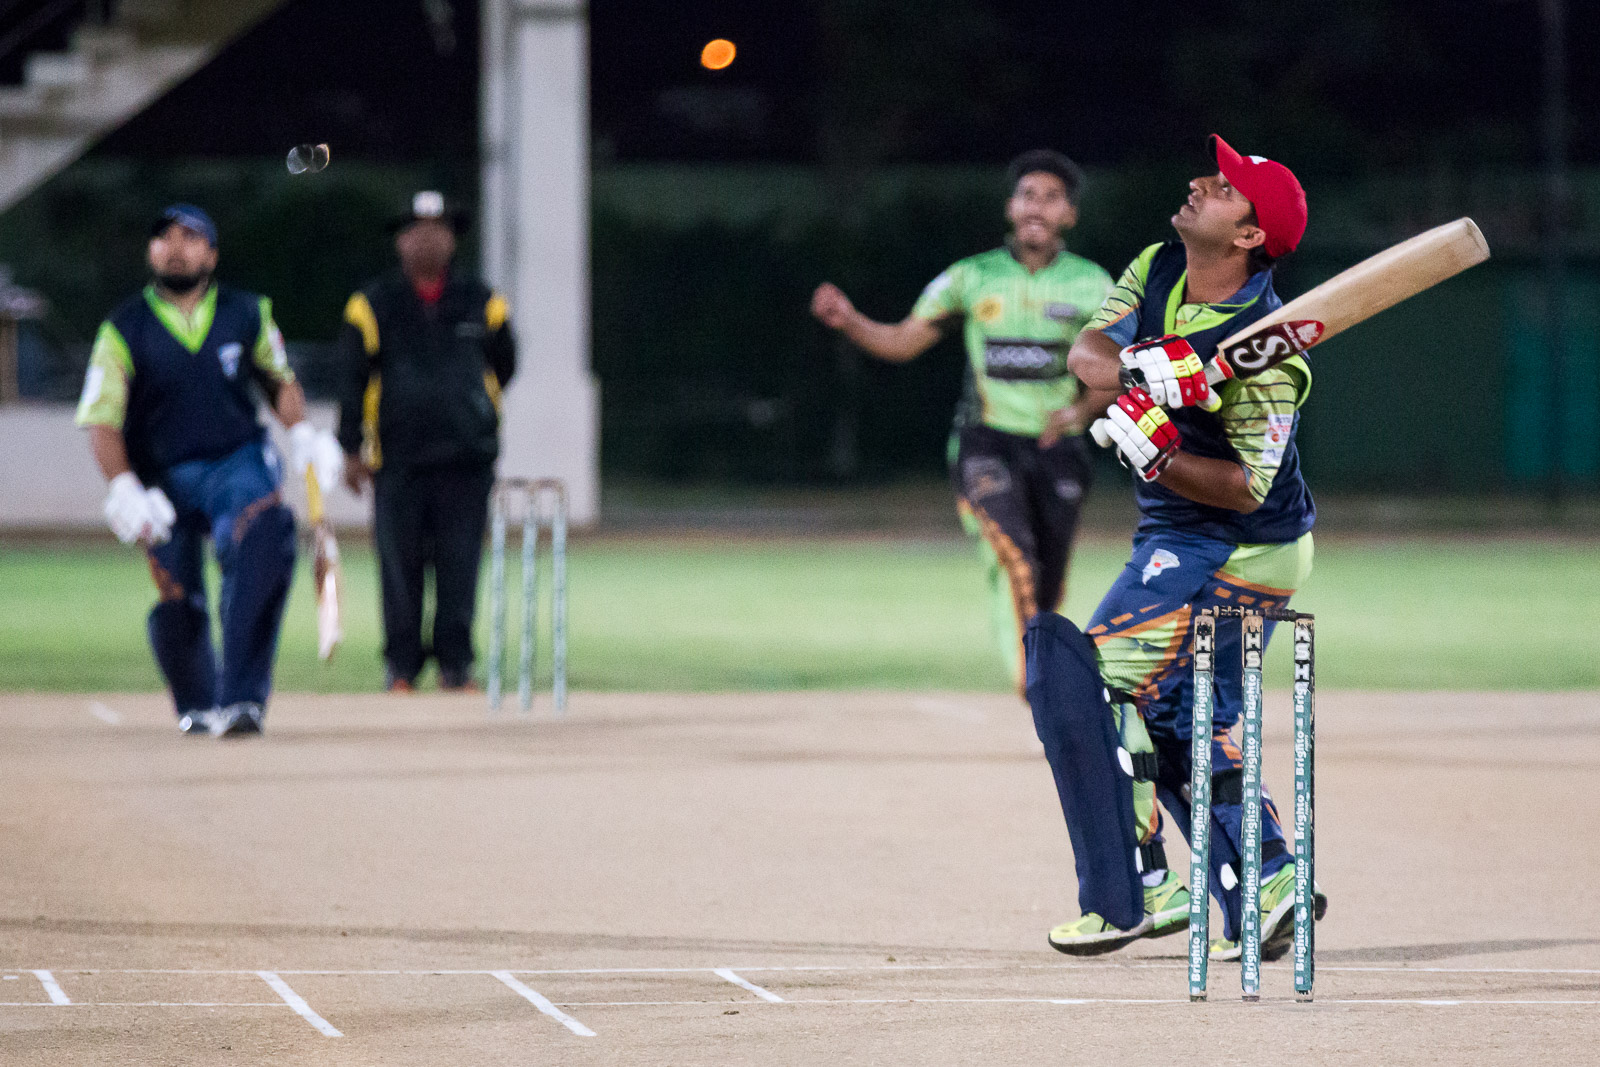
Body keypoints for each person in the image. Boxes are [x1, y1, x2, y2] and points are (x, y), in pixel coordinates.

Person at [1028, 136, 1325, 957]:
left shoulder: (1269, 353)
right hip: (1176, 533)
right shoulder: (1159, 265)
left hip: (1240, 544)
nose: (1202, 182)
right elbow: (1086, 354)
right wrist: (1145, 369)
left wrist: (1160, 455)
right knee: (1180, 718)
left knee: (1083, 679)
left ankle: (1141, 885)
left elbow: (1248, 486)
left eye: (1226, 188)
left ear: (1250, 236)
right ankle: (1267, 882)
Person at [810, 151, 1117, 691]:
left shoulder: (1093, 284)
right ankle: (1037, 684)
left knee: (1047, 582)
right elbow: (903, 341)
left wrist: (1079, 412)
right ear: (1010, 207)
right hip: (986, 443)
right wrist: (851, 321)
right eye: (1027, 195)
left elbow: (1113, 372)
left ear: (1069, 215)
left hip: (1059, 448)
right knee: (1015, 556)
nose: (1036, 207)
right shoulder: (971, 277)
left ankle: (1038, 668)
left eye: (1051, 198)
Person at [75, 204, 344, 737]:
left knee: (264, 537)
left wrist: (301, 432)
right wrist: (123, 488)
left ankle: (242, 699)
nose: (176, 247)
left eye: (190, 237)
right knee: (177, 596)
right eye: (164, 237)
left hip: (235, 464)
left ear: (212, 254)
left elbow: (278, 379)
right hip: (161, 478)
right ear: (150, 251)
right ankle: (197, 702)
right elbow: (102, 420)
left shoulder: (248, 312)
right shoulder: (122, 328)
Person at [336, 192, 516, 692]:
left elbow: (505, 364)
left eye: (439, 230)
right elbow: (351, 379)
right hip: (398, 460)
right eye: (417, 230)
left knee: (461, 566)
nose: (428, 239)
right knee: (400, 568)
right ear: (401, 240)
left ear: (453, 239)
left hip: (466, 459)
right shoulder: (372, 304)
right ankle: (401, 667)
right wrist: (350, 449)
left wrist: (471, 409)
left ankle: (456, 666)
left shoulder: (482, 300)